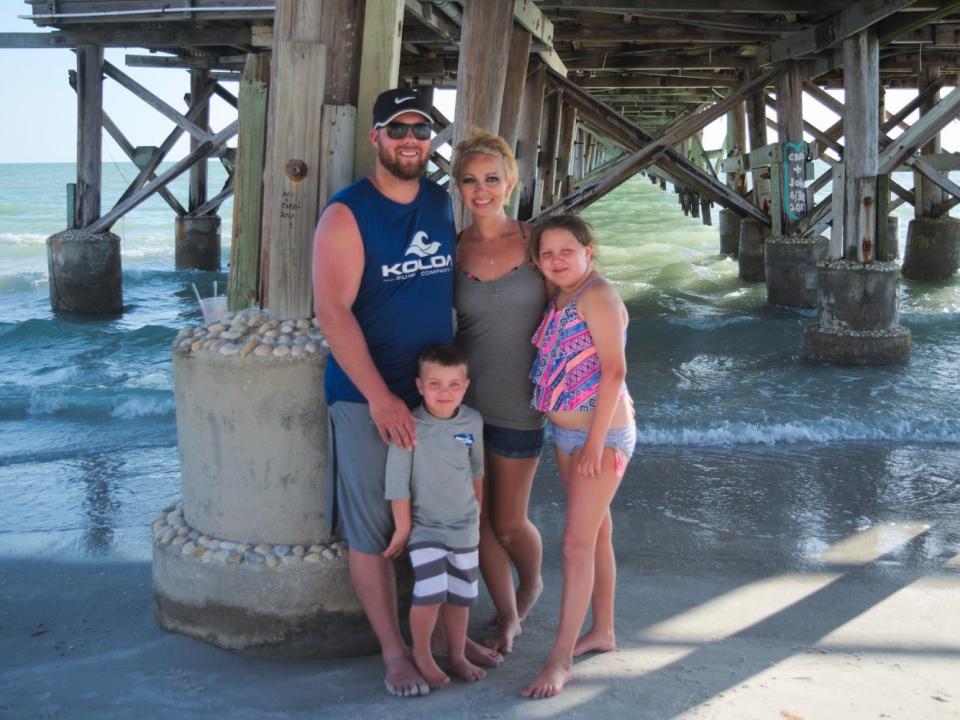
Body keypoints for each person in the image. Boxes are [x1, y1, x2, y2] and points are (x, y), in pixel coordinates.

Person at [312, 88, 498, 699]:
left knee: (442, 521)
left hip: (434, 397)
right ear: (376, 138)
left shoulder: (442, 204)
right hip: (368, 397)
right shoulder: (346, 214)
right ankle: (394, 653)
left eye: (421, 129)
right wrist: (381, 399)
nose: (411, 139)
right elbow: (333, 313)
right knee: (374, 530)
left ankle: (446, 641)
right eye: (398, 129)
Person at [521, 214, 635, 699]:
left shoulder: (598, 295)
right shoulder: (562, 293)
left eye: (567, 250)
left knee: (574, 544)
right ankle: (603, 630)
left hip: (601, 439)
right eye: (546, 254)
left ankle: (560, 658)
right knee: (596, 533)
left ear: (590, 249)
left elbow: (614, 372)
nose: (556, 260)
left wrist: (593, 444)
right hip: (568, 436)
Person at [452, 128, 549, 654]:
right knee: (477, 520)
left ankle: (531, 581)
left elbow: (585, 296)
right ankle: (508, 616)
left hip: (520, 407)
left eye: (492, 178)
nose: (481, 189)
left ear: (511, 181)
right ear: (459, 188)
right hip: (464, 410)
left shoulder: (537, 242)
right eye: (470, 181)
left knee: (509, 522)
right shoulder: (451, 249)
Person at [383, 344, 487, 689]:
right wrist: (402, 529)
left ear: (466, 386)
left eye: (453, 385)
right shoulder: (409, 424)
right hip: (425, 527)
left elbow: (477, 470)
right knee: (430, 590)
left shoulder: (473, 421)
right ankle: (423, 654)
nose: (445, 393)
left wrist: (477, 510)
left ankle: (456, 654)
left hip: (465, 527)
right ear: (419, 386)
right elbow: (397, 483)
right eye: (435, 384)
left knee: (460, 595)